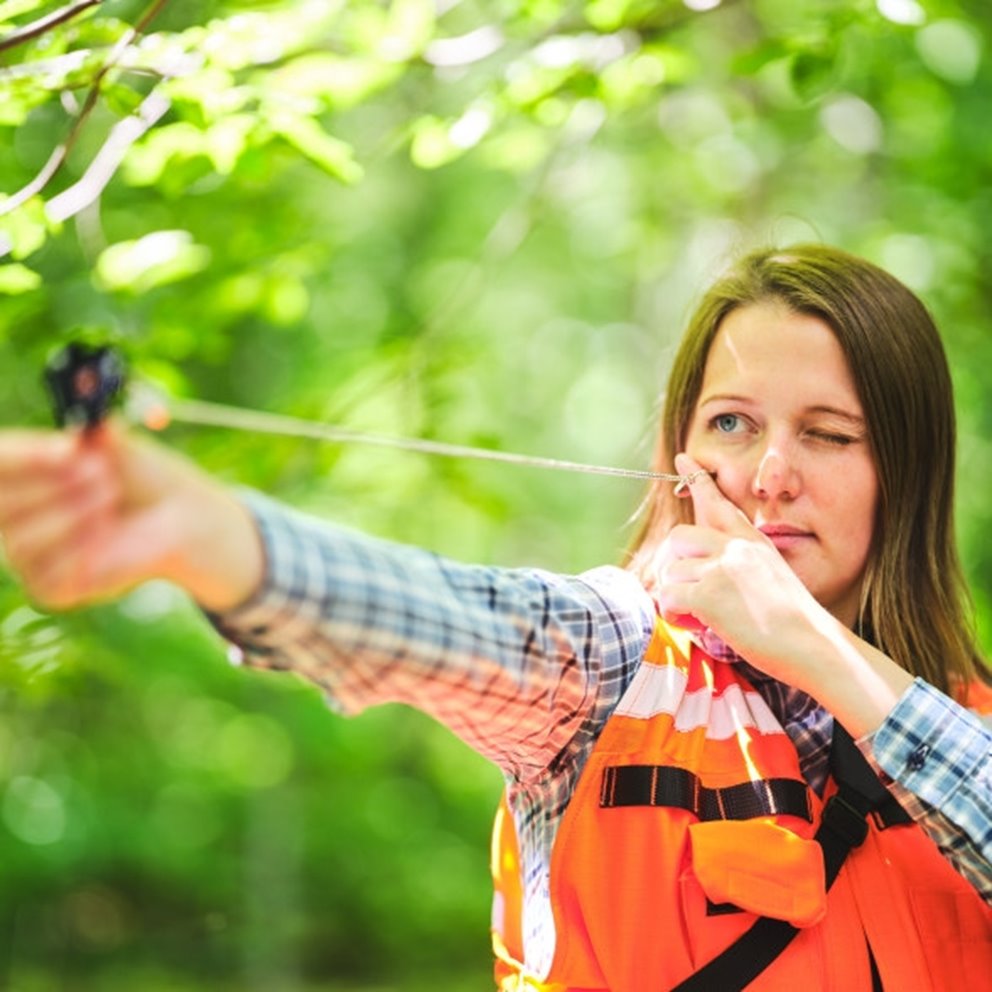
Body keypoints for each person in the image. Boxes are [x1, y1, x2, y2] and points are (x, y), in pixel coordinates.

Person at [0, 244, 989, 990]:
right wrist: (214, 538)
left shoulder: (968, 718)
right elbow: (441, 617)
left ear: (903, 473)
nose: (769, 473)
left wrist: (814, 649)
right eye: (731, 422)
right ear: (679, 455)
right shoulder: (615, 655)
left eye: (827, 434)